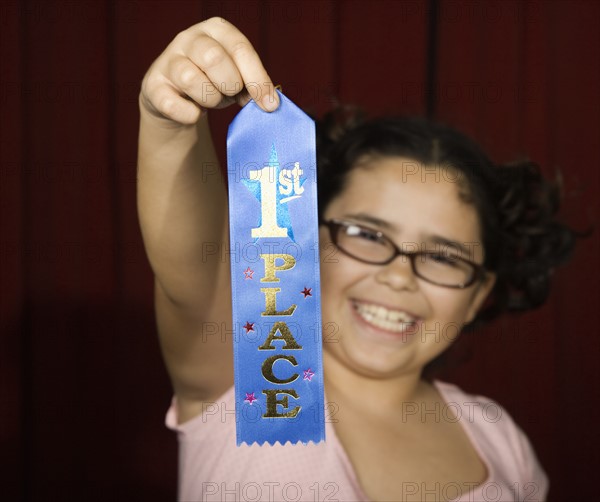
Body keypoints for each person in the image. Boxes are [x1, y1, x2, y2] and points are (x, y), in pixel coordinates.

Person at [138, 17, 575, 502]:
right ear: (304, 240)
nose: (397, 276)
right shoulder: (254, 380)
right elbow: (193, 273)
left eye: (444, 258)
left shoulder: (498, 438)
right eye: (367, 234)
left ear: (479, 295)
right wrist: (170, 125)